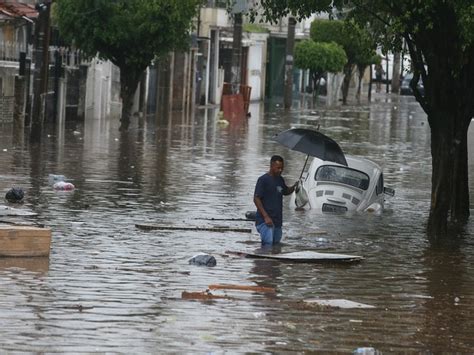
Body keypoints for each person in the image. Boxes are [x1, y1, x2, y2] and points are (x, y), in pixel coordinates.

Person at [253, 155, 297, 246]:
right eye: (278, 168)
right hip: (265, 221)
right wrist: (266, 217)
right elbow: (256, 199)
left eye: (282, 168)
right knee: (268, 245)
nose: (280, 170)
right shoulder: (263, 180)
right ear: (272, 166)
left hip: (277, 221)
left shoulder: (280, 180)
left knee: (276, 245)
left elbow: (285, 191)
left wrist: (295, 186)